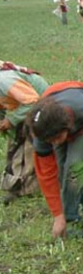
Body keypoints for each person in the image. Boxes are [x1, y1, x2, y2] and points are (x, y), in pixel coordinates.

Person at [25, 81, 83, 238]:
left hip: (80, 120)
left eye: (57, 138)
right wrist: (57, 216)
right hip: (56, 110)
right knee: (63, 174)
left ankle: (71, 218)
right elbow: (47, 177)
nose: (54, 143)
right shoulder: (41, 134)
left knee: (73, 170)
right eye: (50, 141)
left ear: (66, 127)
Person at [0, 61, 49, 205]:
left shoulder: (5, 81)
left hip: (42, 108)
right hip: (21, 108)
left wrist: (10, 120)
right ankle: (15, 183)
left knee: (28, 149)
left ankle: (27, 189)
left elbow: (33, 101)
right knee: (14, 147)